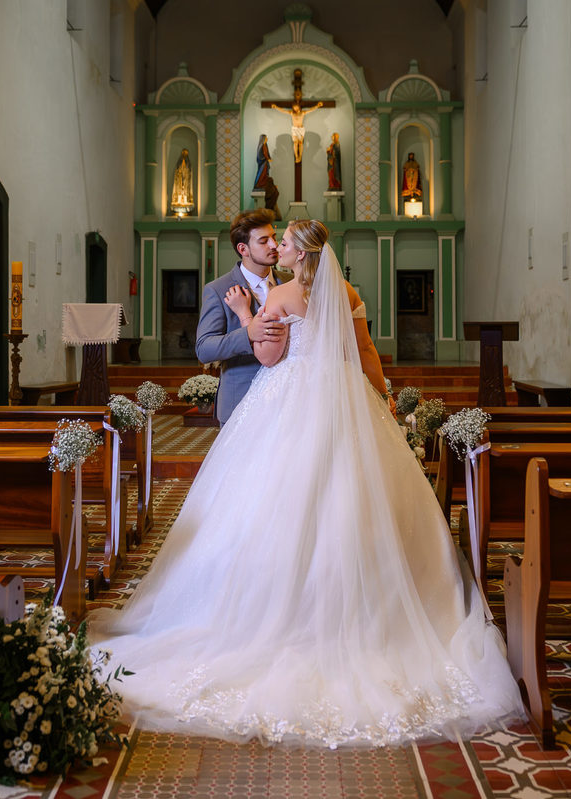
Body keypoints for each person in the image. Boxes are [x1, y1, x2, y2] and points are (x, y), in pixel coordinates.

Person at [93, 218, 525, 748]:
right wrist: (384, 399)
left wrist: (248, 315)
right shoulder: (348, 292)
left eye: (285, 242)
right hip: (345, 402)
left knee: (272, 505)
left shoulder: (280, 293)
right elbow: (365, 353)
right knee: (350, 499)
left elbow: (269, 355)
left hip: (286, 406)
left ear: (298, 254)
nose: (278, 247)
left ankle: (272, 611)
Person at [193, 209, 286, 425]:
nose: (274, 245)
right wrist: (248, 334)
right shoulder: (218, 289)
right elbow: (204, 348)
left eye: (274, 237)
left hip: (287, 403)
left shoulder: (291, 283)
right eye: (263, 241)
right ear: (243, 248)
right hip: (241, 403)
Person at [269, 97, 324, 163]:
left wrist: (317, 106)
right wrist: (276, 107)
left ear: (298, 107)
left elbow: (311, 110)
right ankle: (296, 156)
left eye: (296, 107)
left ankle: (300, 156)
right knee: (295, 143)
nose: (294, 108)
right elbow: (283, 111)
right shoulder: (292, 113)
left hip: (301, 129)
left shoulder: (303, 113)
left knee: (300, 143)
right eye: (294, 107)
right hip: (294, 129)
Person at [170, 147, 193, 212]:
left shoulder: (188, 163)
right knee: (179, 188)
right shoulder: (179, 162)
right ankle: (179, 200)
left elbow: (189, 171)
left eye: (186, 153)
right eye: (184, 153)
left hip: (186, 179)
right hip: (179, 178)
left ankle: (185, 200)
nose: (184, 155)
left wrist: (186, 173)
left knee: (185, 189)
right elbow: (177, 169)